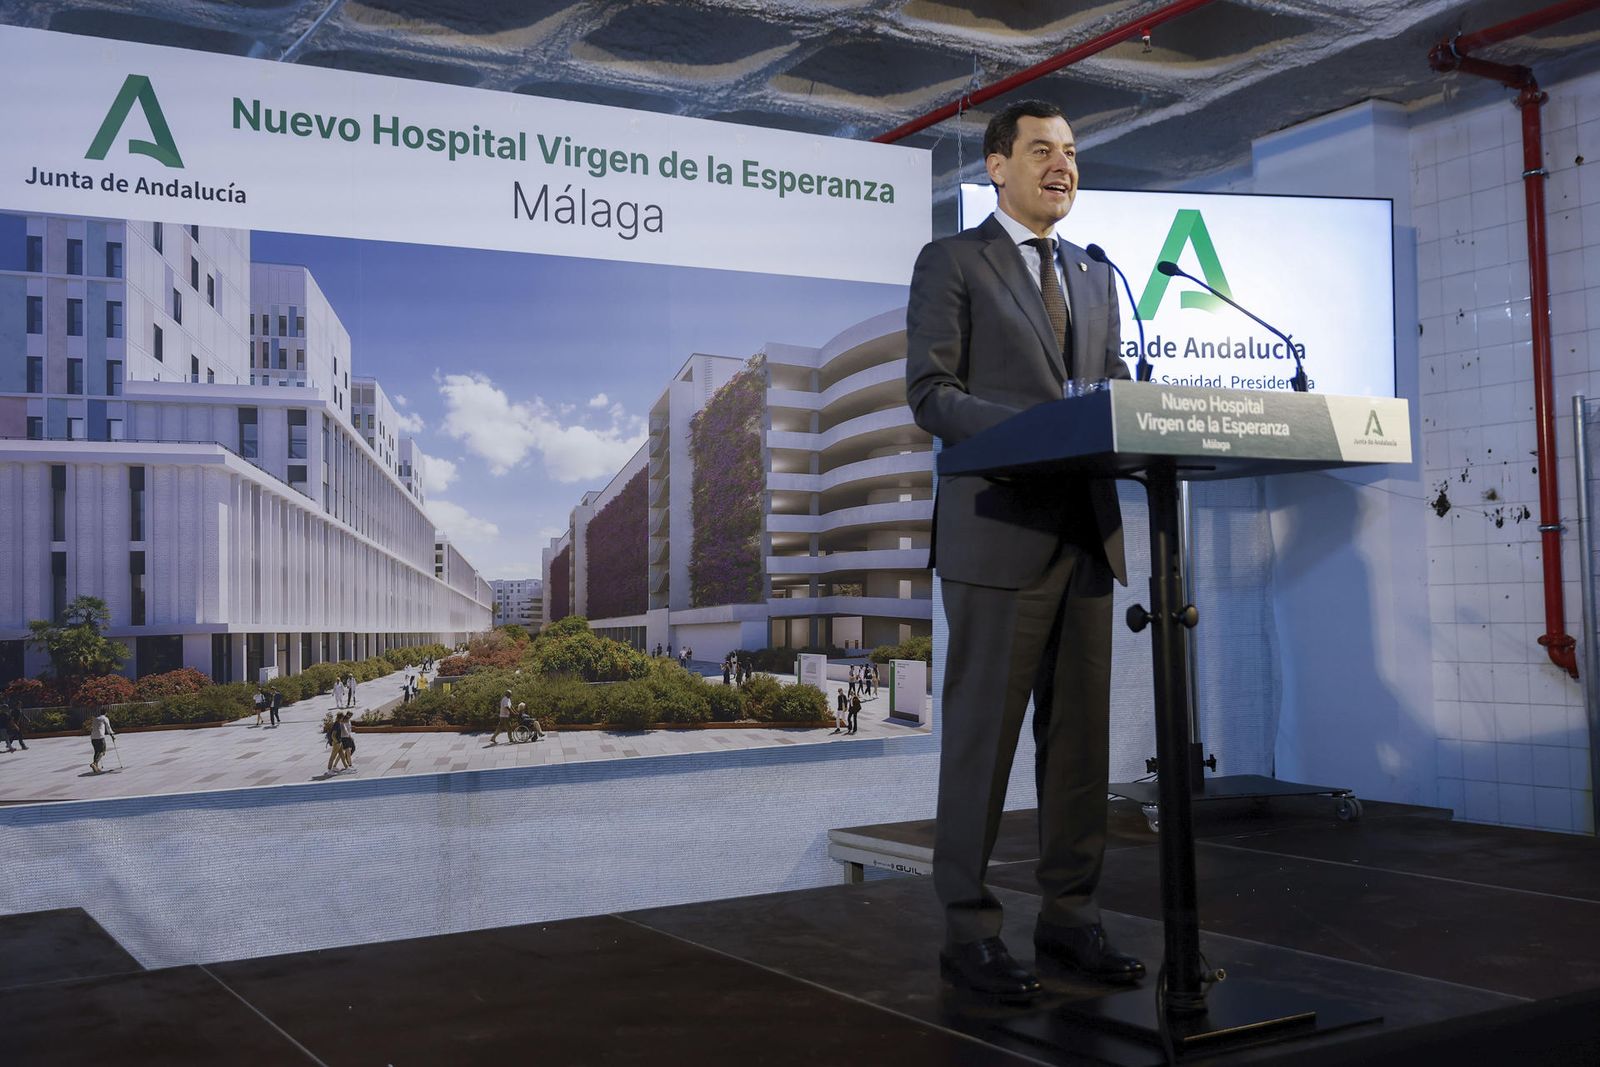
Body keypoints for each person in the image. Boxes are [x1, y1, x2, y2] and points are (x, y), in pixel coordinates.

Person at [906, 100, 1143, 998]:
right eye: (1041, 150)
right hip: (998, 536)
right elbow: (932, 392)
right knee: (982, 744)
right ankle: (967, 932)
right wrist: (1037, 430)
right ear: (996, 165)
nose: (1062, 165)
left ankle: (1070, 919)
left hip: (1085, 534)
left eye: (1072, 151)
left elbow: (1109, 391)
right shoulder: (953, 260)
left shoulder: (1094, 273)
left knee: (1079, 750)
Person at [87, 709, 115, 773]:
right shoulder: (105, 718)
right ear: (106, 713)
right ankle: (94, 763)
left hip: (93, 737)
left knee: (96, 751)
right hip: (100, 737)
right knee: (102, 751)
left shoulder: (96, 719)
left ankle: (96, 767)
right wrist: (112, 735)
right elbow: (108, 727)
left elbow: (93, 727)